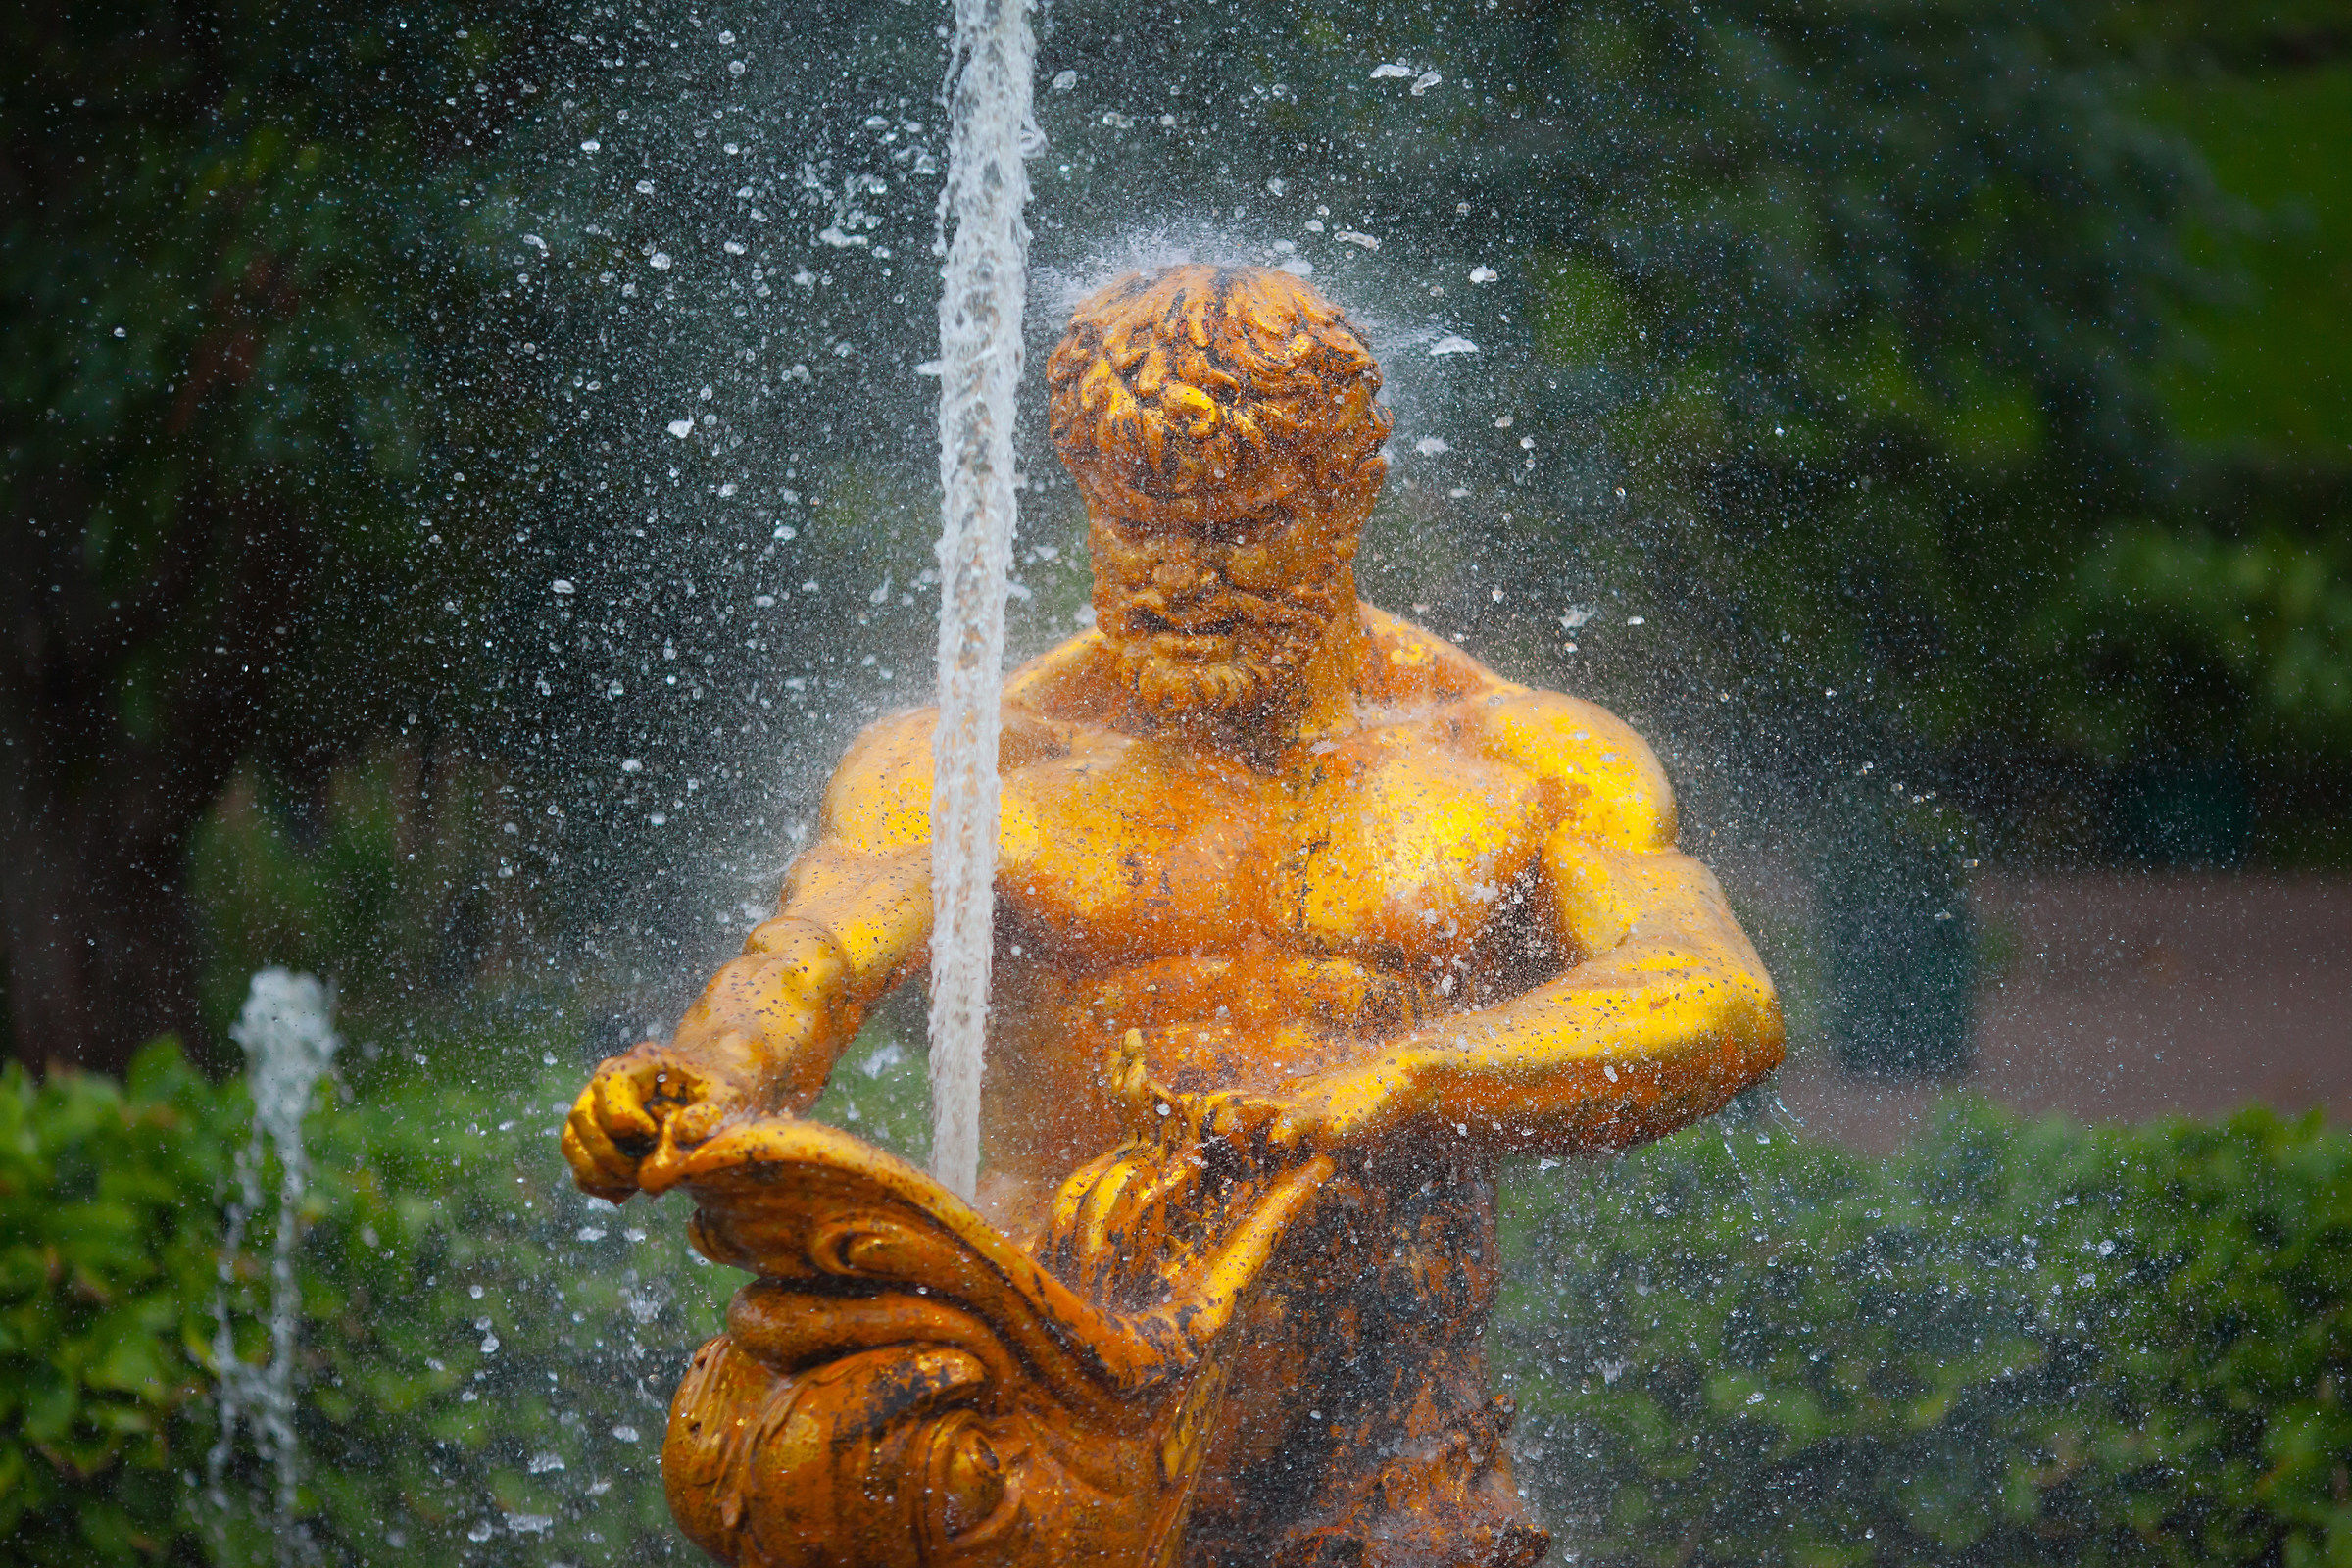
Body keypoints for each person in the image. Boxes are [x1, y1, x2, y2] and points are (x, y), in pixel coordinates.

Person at [564, 264, 1784, 1568]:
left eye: (1240, 529)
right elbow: (809, 959)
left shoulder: (1520, 765)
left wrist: (1413, 1074)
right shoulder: (977, 771)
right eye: (1138, 529)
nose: (1183, 578)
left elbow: (1714, 995)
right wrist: (699, 1076)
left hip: (1391, 1448)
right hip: (1058, 1431)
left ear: (1346, 502)